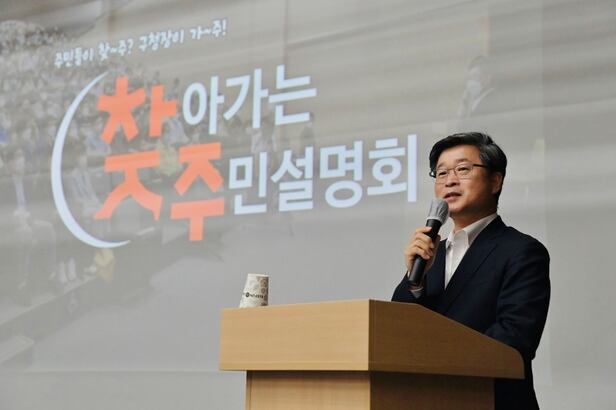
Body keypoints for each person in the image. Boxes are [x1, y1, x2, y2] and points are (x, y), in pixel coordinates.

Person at [392, 132, 550, 410]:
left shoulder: (522, 251)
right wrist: (415, 282)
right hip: (427, 400)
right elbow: (395, 330)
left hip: (493, 401)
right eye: (441, 173)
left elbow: (514, 338)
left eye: (462, 169)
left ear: (495, 181)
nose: (449, 181)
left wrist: (435, 360)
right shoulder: (431, 253)